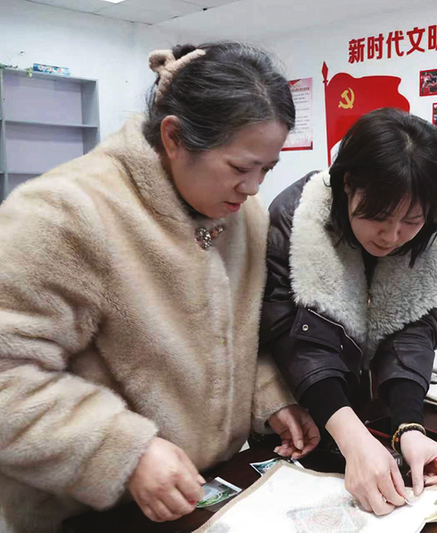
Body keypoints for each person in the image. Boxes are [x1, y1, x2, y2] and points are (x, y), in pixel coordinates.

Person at [0, 42, 320, 533]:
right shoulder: (66, 212)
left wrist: (271, 398)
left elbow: (238, 342)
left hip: (196, 495)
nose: (254, 187)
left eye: (267, 169)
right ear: (173, 137)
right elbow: (9, 377)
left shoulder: (245, 219)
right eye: (240, 168)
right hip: (80, 515)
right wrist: (124, 451)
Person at [260, 108, 437, 516]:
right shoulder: (298, 218)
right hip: (298, 409)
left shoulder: (434, 234)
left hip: (366, 410)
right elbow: (292, 335)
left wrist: (409, 427)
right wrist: (352, 438)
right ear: (348, 184)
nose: (392, 236)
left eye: (411, 220)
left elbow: (411, 326)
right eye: (377, 216)